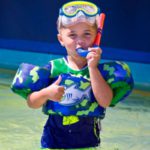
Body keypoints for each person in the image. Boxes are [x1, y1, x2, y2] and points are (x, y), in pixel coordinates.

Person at [11, 1, 134, 150]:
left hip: (87, 144)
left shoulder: (98, 72)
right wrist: (45, 93)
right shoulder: (53, 69)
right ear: (61, 39)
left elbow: (105, 102)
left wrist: (93, 68)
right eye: (72, 35)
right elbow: (32, 103)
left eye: (87, 34)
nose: (80, 41)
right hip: (52, 143)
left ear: (96, 38)